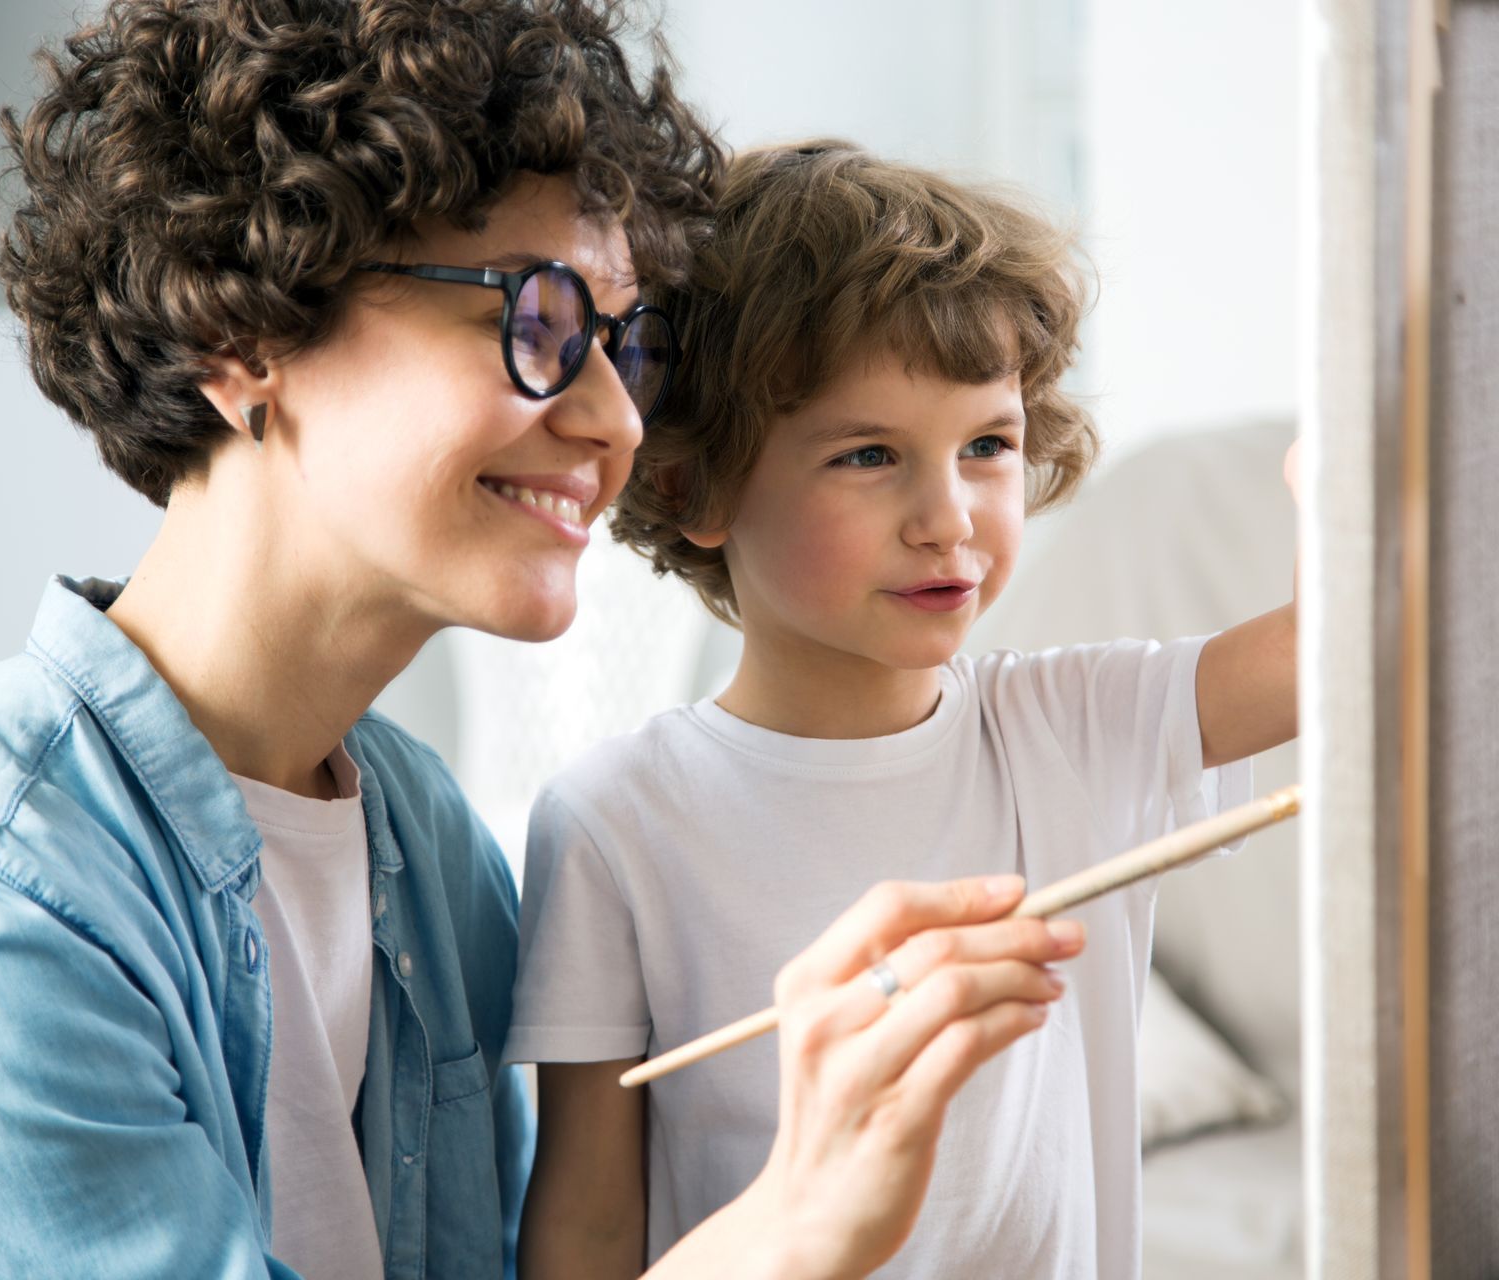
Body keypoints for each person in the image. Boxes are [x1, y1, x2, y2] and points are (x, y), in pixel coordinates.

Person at [0, 8, 1078, 1278]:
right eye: (540, 317)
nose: (615, 419)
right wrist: (795, 1225)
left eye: (626, 344)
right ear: (242, 334)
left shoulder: (426, 841)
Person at [508, 141, 1300, 1278]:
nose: (950, 517)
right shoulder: (610, 820)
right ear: (694, 486)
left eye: (988, 444)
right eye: (870, 454)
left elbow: (1335, 651)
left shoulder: (1078, 724)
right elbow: (584, 1226)